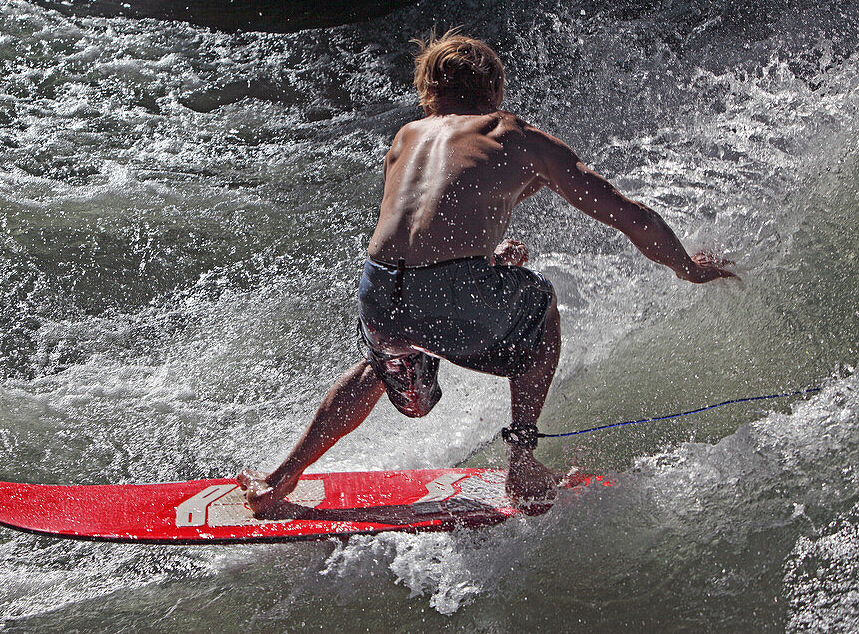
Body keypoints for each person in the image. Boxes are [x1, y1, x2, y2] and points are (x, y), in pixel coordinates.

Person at [238, 31, 736, 515]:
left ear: (428, 90)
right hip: (448, 290)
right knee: (541, 308)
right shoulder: (509, 133)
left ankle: (281, 477)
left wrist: (486, 256)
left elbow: (421, 228)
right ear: (495, 89)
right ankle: (521, 463)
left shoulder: (406, 137)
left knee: (385, 374)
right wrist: (688, 267)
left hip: (380, 292)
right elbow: (629, 215)